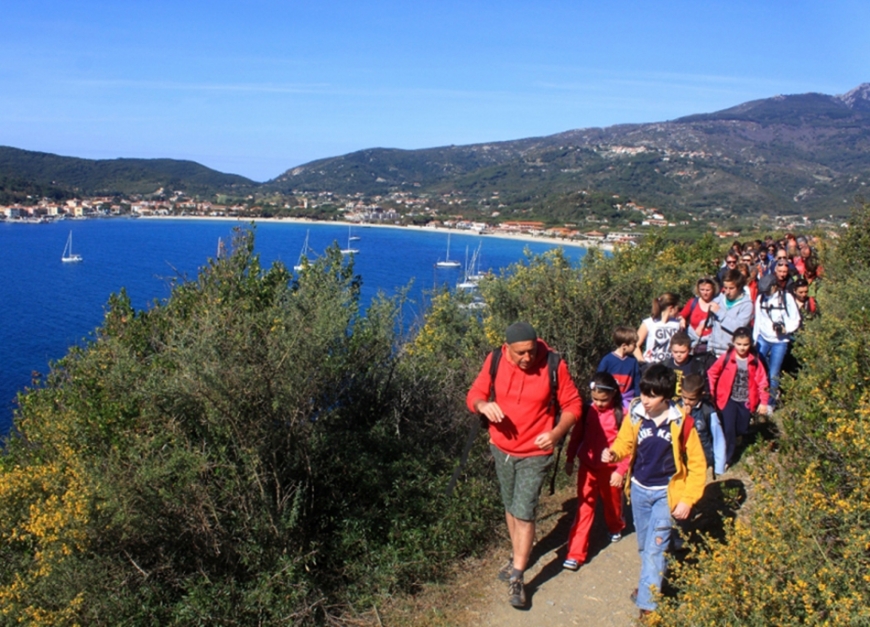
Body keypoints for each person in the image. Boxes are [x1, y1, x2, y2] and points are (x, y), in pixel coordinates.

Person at [466, 322, 581, 609]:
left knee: (525, 510)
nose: (527, 358)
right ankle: (518, 553)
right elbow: (474, 394)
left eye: (531, 352)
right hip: (501, 448)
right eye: (520, 354)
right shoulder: (495, 359)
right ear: (507, 349)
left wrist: (556, 434)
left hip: (535, 451)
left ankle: (518, 574)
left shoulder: (553, 363)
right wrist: (482, 406)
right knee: (510, 506)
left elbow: (574, 405)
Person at [601, 364, 706, 617]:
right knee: (644, 547)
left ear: (666, 397)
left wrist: (687, 500)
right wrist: (614, 453)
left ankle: (648, 608)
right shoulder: (636, 414)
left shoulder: (683, 424)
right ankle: (653, 582)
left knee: (655, 548)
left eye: (652, 396)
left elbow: (697, 465)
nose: (645, 400)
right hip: (638, 491)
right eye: (644, 393)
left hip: (665, 494)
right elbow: (625, 442)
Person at [562, 373, 628, 571]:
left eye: (603, 400)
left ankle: (616, 525)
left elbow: (629, 446)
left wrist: (621, 470)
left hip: (611, 471)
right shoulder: (587, 411)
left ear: (614, 395)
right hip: (588, 467)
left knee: (612, 503)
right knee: (584, 508)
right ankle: (575, 553)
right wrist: (570, 458)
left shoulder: (622, 415)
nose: (599, 403)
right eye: (595, 399)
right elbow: (577, 436)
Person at [707, 327, 771, 466]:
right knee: (728, 429)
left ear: (751, 344)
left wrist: (764, 402)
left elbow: (763, 381)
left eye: (745, 344)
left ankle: (737, 437)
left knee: (742, 428)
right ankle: (726, 459)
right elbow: (713, 373)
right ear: (733, 343)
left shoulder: (754, 360)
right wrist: (712, 392)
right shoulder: (727, 357)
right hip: (728, 399)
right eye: (739, 344)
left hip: (746, 400)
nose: (742, 348)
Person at [754, 279, 801, 403]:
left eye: (768, 290)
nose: (766, 293)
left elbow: (795, 319)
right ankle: (758, 399)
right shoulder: (760, 299)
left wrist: (786, 329)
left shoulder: (786, 298)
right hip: (763, 338)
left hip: (780, 341)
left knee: (774, 373)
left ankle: (771, 402)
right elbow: (758, 321)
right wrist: (754, 340)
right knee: (758, 368)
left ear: (774, 286)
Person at [677, 374, 725, 477]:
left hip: (702, 457)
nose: (686, 402)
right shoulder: (676, 407)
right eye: (684, 397)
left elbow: (718, 439)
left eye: (691, 399)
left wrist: (719, 466)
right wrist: (683, 416)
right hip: (679, 456)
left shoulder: (707, 411)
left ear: (701, 395)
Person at [707, 270, 754, 357]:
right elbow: (709, 324)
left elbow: (738, 328)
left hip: (731, 352)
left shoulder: (747, 305)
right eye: (725, 287)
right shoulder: (718, 300)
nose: (727, 292)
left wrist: (719, 312)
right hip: (712, 350)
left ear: (739, 287)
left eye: (731, 288)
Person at [597, 326, 641, 408]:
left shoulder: (633, 361)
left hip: (628, 402)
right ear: (624, 346)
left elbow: (637, 383)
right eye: (633, 344)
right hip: (610, 400)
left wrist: (637, 399)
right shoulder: (607, 360)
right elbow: (599, 379)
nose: (635, 347)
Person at [635, 293, 681, 367]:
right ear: (671, 308)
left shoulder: (677, 324)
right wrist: (642, 362)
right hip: (651, 365)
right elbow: (635, 344)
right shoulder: (649, 323)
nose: (678, 312)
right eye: (677, 308)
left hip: (670, 365)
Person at [661, 331, 710, 398]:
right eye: (675, 352)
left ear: (690, 350)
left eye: (682, 352)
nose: (678, 355)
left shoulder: (697, 367)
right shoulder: (665, 365)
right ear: (670, 349)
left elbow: (704, 389)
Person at [679, 277, 717, 353]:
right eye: (702, 290)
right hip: (693, 343)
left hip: (711, 345)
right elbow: (682, 315)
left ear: (713, 290)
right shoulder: (693, 302)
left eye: (708, 290)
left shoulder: (718, 304)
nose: (705, 293)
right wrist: (682, 320)